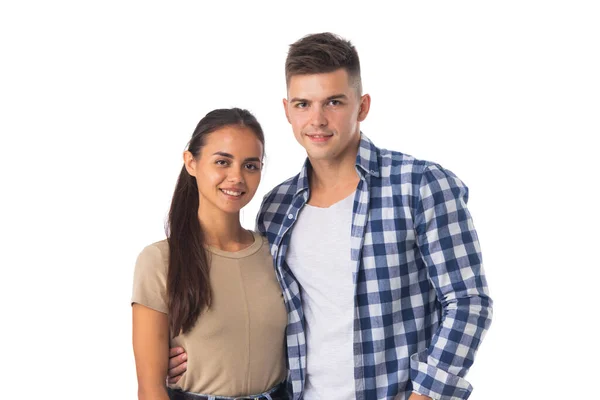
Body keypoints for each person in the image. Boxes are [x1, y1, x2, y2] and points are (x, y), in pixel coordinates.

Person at [168, 33, 493, 400]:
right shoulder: (276, 209)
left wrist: (426, 395)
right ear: (287, 110)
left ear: (363, 106)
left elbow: (468, 301)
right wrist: (193, 353)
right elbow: (263, 316)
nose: (317, 120)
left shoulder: (420, 186)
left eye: (334, 102)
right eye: (303, 104)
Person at [131, 108, 289, 400]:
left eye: (250, 166)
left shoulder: (276, 255)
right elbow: (150, 388)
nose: (236, 177)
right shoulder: (159, 261)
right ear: (191, 162)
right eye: (222, 162)